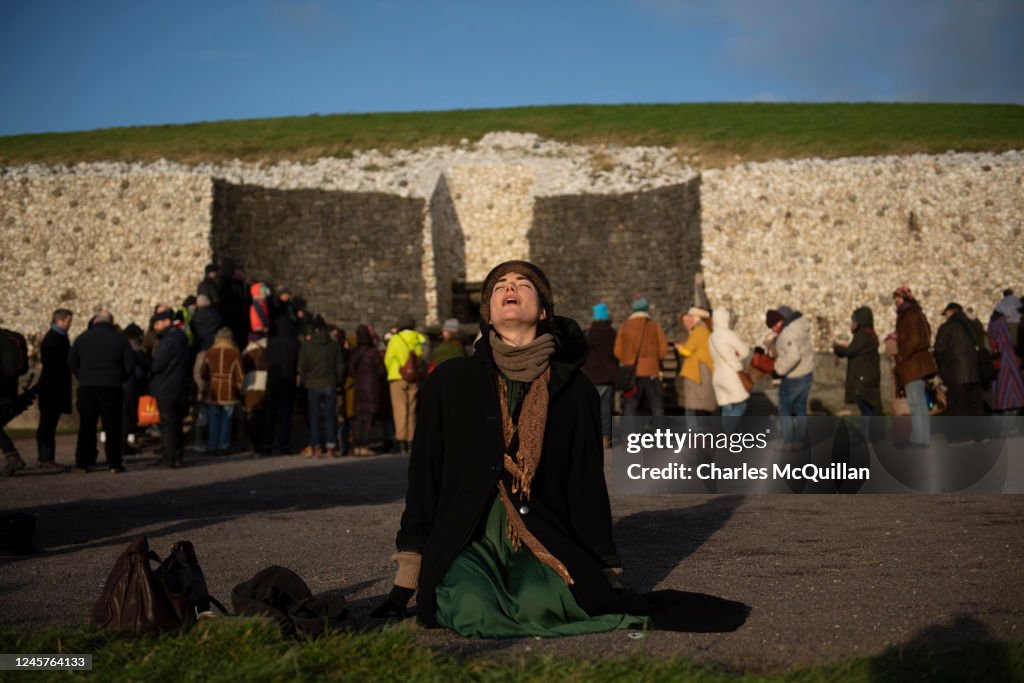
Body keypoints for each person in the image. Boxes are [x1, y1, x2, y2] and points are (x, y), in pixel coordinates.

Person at [371, 260, 748, 637]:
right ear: (487, 313)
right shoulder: (450, 383)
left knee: (542, 602)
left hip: (541, 538)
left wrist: (605, 574)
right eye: (500, 285)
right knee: (472, 608)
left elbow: (585, 485)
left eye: (522, 284)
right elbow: (425, 478)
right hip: (468, 541)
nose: (510, 288)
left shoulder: (574, 389)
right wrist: (405, 583)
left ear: (544, 310)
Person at [67, 310, 135, 473]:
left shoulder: (82, 339)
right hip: (111, 387)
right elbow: (130, 365)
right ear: (111, 323)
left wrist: (82, 376)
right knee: (112, 427)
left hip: (87, 387)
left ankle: (82, 463)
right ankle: (114, 463)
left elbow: (71, 362)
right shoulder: (120, 340)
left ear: (95, 322)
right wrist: (118, 378)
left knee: (86, 427)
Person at [892, 286, 938, 447]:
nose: (895, 301)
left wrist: (903, 355)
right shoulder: (915, 313)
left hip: (913, 364)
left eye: (897, 298)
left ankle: (920, 438)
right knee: (918, 402)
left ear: (904, 298)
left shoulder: (909, 314)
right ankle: (921, 437)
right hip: (918, 363)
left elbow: (914, 338)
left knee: (916, 403)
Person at [767, 306, 815, 450]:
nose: (773, 329)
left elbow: (793, 356)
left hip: (794, 376)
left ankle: (786, 442)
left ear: (782, 320)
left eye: (774, 325)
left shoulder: (788, 333)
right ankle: (799, 441)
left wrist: (778, 371)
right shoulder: (801, 327)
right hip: (807, 373)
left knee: (784, 408)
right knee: (801, 409)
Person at [298, 315, 345, 458]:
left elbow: (302, 367)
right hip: (329, 383)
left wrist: (306, 381)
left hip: (313, 384)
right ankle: (331, 448)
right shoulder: (334, 344)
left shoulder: (307, 345)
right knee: (331, 417)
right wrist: (337, 381)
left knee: (315, 417)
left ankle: (316, 448)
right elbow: (340, 366)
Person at [832, 307, 882, 437]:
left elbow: (850, 351)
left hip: (863, 377)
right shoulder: (869, 334)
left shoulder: (863, 334)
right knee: (867, 407)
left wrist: (837, 348)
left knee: (866, 407)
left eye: (853, 321)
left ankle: (866, 435)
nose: (852, 325)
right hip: (867, 375)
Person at [614, 296, 667, 417]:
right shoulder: (654, 325)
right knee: (657, 406)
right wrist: (653, 361)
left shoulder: (625, 326)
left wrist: (627, 360)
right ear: (646, 309)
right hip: (651, 371)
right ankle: (659, 435)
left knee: (631, 406)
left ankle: (629, 435)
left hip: (631, 371)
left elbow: (617, 350)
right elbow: (663, 348)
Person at [150, 308, 190, 468]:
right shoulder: (181, 338)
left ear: (166, 322)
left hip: (166, 387)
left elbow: (157, 365)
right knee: (176, 424)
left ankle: (169, 458)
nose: (155, 328)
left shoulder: (168, 341)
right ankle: (177, 456)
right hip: (179, 386)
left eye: (158, 323)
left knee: (168, 425)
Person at [36, 309, 73, 471]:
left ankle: (45, 457)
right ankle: (46, 457)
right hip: (52, 387)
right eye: (68, 321)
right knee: (48, 424)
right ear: (61, 321)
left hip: (52, 387)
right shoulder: (54, 339)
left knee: (48, 423)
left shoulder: (56, 338)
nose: (70, 325)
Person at [934, 303, 986, 417]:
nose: (945, 316)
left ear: (951, 312)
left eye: (946, 314)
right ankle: (979, 433)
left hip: (955, 374)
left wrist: (941, 369)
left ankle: (961, 433)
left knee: (959, 407)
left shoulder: (947, 327)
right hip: (976, 372)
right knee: (975, 406)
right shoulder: (974, 324)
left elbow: (939, 350)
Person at [384, 316, 426, 454]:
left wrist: (394, 369)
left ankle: (401, 441)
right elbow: (419, 357)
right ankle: (411, 440)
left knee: (400, 409)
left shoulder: (395, 339)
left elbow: (388, 359)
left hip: (397, 377)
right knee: (412, 409)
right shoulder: (416, 338)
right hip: (413, 378)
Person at [263, 307, 301, 455]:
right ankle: (284, 444)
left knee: (270, 415)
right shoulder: (294, 343)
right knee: (285, 416)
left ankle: (268, 443)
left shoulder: (271, 343)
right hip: (288, 382)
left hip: (273, 381)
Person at [201, 327, 244, 454]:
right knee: (226, 420)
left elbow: (203, 373)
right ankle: (223, 446)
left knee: (214, 420)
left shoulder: (210, 352)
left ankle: (212, 446)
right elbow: (240, 375)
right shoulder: (235, 353)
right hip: (229, 391)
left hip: (213, 391)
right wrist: (239, 387)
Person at [580, 303, 617, 448]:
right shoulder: (613, 333)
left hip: (591, 376)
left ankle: (590, 436)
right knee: (606, 409)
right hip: (607, 377)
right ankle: (605, 437)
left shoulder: (590, 333)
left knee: (590, 408)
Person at [347, 324, 387, 456]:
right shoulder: (373, 352)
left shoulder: (355, 352)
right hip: (372, 389)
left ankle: (357, 446)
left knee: (359, 419)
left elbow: (350, 370)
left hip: (359, 389)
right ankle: (365, 445)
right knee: (368, 419)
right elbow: (381, 371)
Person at [708, 308, 750, 423]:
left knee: (727, 408)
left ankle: (733, 439)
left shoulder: (711, 337)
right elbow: (745, 351)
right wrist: (736, 359)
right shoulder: (728, 334)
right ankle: (727, 434)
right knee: (741, 405)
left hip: (717, 376)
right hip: (731, 375)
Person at [677, 307, 717, 417]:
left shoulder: (698, 331)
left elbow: (687, 351)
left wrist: (680, 348)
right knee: (706, 405)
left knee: (697, 406)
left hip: (697, 370)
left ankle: (697, 432)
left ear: (699, 317)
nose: (691, 319)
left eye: (692, 317)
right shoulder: (708, 330)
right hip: (707, 369)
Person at [988, 311, 1024, 417]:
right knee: (1010, 397)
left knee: (1002, 395)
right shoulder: (1000, 325)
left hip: (1000, 363)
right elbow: (1006, 342)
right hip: (1006, 363)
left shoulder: (993, 325)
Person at [241, 331, 269, 454]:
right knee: (262, 418)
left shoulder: (247, 353)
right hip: (264, 386)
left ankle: (252, 445)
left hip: (250, 387)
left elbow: (242, 371)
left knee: (251, 417)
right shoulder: (267, 351)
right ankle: (262, 444)